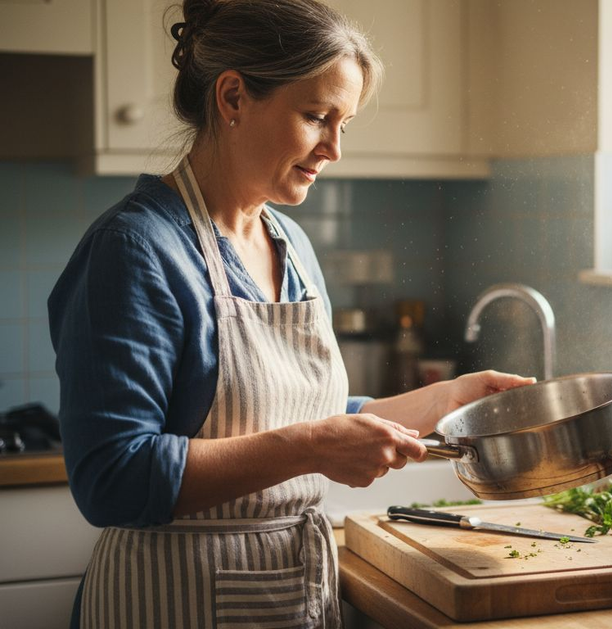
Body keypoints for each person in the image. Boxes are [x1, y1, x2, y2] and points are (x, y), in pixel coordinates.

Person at [47, 1, 534, 627]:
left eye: (344, 124)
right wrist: (310, 446)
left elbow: (312, 420)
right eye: (315, 117)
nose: (334, 147)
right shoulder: (135, 249)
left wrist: (446, 401)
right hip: (168, 598)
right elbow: (111, 475)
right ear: (233, 99)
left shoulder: (289, 244)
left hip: (287, 593)